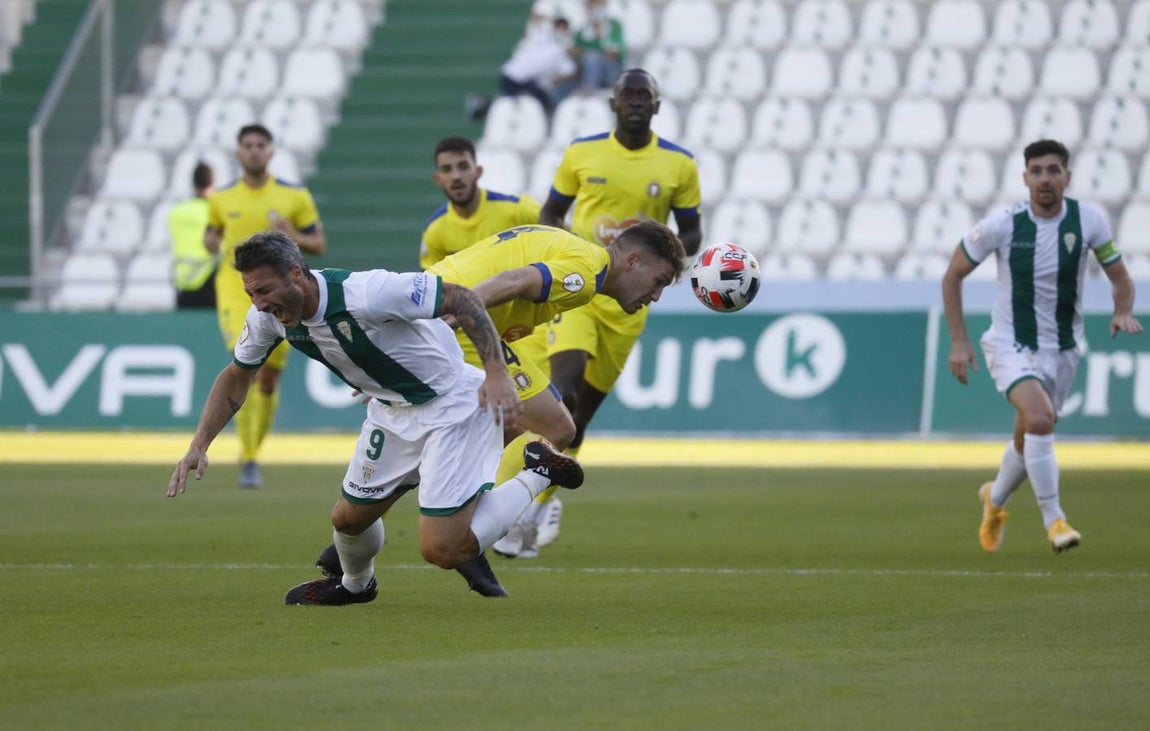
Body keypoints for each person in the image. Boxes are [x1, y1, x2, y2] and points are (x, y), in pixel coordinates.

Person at [166, 231, 586, 606]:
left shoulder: (368, 291)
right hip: (390, 411)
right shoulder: (267, 318)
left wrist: (495, 371)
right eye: (251, 293)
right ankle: (356, 585)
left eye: (263, 290)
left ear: (296, 274)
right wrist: (199, 445)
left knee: (444, 550)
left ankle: (538, 471)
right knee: (347, 521)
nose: (258, 304)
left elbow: (463, 299)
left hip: (452, 405)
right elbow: (237, 377)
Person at [314, 221, 688, 584]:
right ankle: (480, 511)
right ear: (633, 260)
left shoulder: (573, 249)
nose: (654, 297)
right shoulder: (587, 272)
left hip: (444, 312)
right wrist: (443, 327)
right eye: (658, 282)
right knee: (556, 429)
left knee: (543, 427)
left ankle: (385, 519)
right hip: (458, 325)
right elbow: (514, 281)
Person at [510, 68, 701, 559]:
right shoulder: (581, 152)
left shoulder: (679, 164)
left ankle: (543, 499)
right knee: (564, 389)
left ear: (656, 107)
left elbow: (692, 235)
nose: (636, 101)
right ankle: (517, 498)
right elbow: (550, 212)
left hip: (629, 304)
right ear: (614, 103)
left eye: (645, 95)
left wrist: (659, 249)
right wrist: (570, 251)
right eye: (628, 94)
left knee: (583, 413)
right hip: (582, 289)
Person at [941, 139, 1142, 555]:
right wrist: (959, 341)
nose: (1045, 179)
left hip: (1063, 349)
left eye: (1053, 170)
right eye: (1037, 171)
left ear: (1067, 176)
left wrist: (1122, 311)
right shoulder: (1002, 225)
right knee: (1039, 418)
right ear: (1025, 178)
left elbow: (1120, 277)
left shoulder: (1089, 221)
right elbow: (952, 275)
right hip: (1011, 343)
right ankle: (1055, 521)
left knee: (1028, 434)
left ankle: (993, 501)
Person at [205, 124, 325, 489]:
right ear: (238, 153)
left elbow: (317, 243)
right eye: (248, 146)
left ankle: (253, 449)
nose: (255, 151)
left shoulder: (294, 196)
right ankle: (251, 460)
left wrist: (294, 234)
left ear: (271, 152)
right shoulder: (221, 199)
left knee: (269, 380)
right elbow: (211, 235)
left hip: (279, 295)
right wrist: (211, 241)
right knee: (243, 367)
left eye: (261, 145)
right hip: (233, 292)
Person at [420, 137, 543, 269]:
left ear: (478, 172)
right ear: (438, 179)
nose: (456, 176)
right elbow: (434, 283)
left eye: (463, 167)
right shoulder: (434, 230)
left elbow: (563, 233)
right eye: (446, 169)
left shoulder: (518, 210)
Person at [466, 12, 576, 121]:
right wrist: (550, 21)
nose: (562, 31)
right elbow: (535, 17)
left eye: (564, 28)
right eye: (560, 27)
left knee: (538, 101)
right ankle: (481, 104)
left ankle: (483, 103)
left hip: (525, 79)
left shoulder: (561, 52)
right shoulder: (544, 35)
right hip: (513, 75)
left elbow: (571, 70)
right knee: (509, 105)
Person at [168, 161, 218, 309]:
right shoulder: (214, 211)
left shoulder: (176, 212)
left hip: (182, 281)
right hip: (209, 278)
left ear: (193, 183)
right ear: (212, 182)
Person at [572, 0, 625, 91]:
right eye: (592, 6)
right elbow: (575, 50)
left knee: (593, 58)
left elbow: (613, 52)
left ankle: (590, 90)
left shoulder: (614, 26)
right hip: (586, 67)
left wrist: (599, 35)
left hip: (612, 68)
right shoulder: (583, 29)